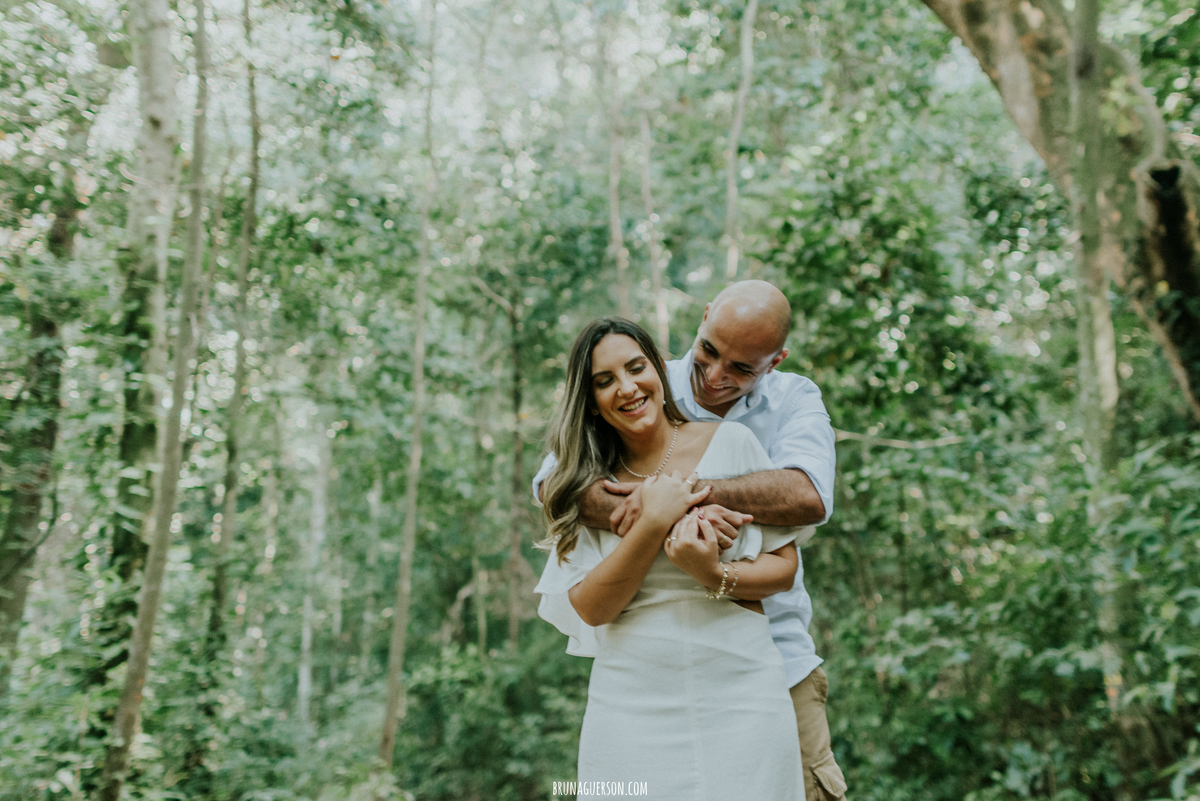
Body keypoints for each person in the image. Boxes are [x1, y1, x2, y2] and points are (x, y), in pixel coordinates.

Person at [534, 281, 848, 801]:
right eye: (708, 351)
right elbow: (553, 485)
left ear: (775, 361)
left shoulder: (787, 404)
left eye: (743, 368)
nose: (716, 376)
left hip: (769, 661)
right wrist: (649, 517)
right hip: (634, 692)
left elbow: (809, 497)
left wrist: (682, 500)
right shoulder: (641, 390)